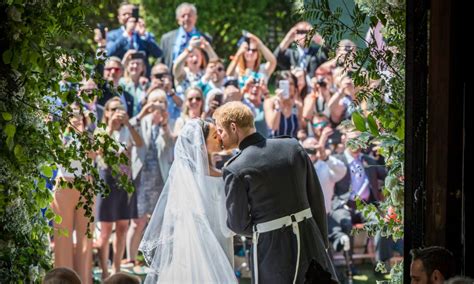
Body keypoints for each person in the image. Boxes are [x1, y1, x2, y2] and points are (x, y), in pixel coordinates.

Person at [213, 101, 337, 283]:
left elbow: (238, 224)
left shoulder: (235, 168)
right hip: (310, 239)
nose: (220, 137)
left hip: (272, 251)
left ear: (233, 127)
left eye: (221, 131)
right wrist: (321, 242)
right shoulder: (292, 146)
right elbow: (316, 197)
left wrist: (266, 228)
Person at [139, 119, 237, 283]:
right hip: (212, 244)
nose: (220, 138)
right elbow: (226, 223)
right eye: (215, 136)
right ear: (201, 144)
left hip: (192, 247)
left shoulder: (182, 177)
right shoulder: (219, 178)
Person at [51, 103, 95, 284]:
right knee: (63, 238)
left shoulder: (89, 137)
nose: (76, 118)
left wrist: (83, 135)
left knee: (86, 238)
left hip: (86, 184)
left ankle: (84, 280)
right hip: (64, 185)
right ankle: (62, 281)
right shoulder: (59, 136)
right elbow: (57, 155)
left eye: (79, 115)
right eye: (72, 114)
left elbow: (92, 155)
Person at [159, 2, 211, 70]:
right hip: (172, 78)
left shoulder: (205, 38)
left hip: (198, 78)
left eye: (189, 15)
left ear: (195, 18)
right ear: (178, 20)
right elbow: (160, 62)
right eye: (183, 16)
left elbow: (211, 61)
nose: (186, 18)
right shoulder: (166, 39)